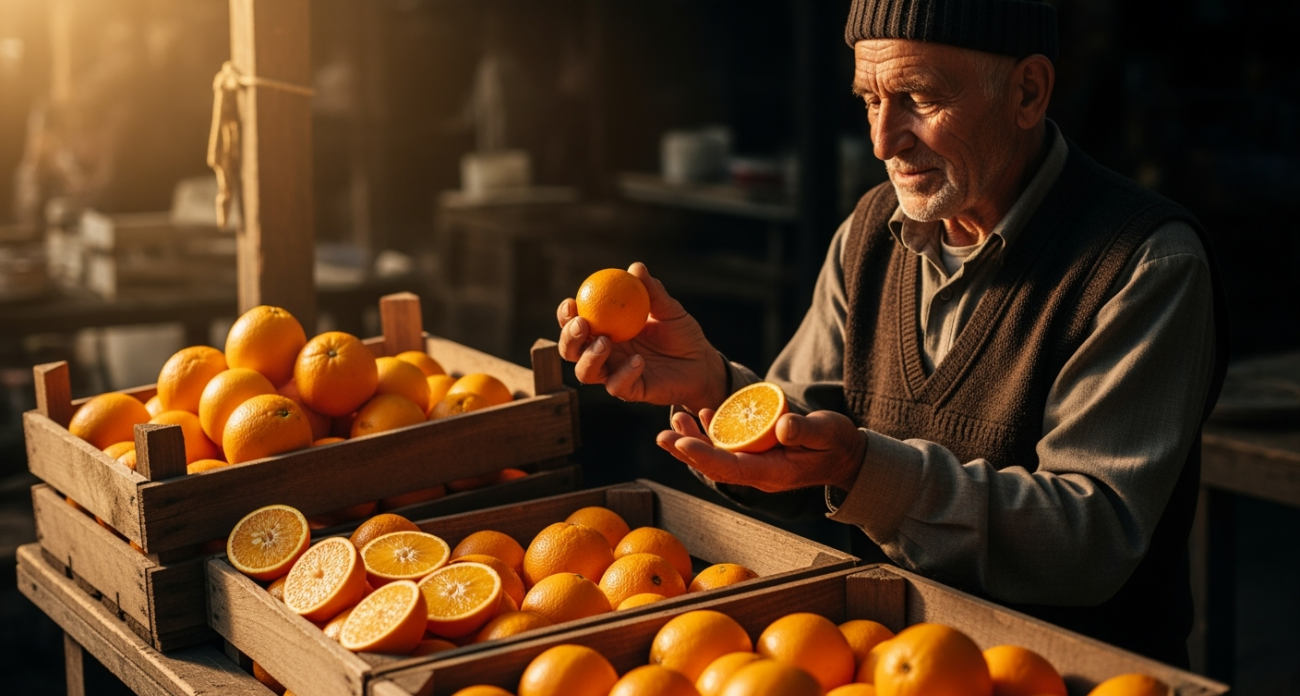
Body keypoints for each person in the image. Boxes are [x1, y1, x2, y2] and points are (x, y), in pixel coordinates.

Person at [555, 0, 1227, 667]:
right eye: (870, 99)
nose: (883, 141)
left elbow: (1088, 542)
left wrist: (864, 470)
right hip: (873, 666)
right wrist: (715, 386)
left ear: (1027, 91)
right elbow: (804, 444)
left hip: (1061, 680)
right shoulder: (871, 232)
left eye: (918, 98)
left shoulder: (1143, 264)